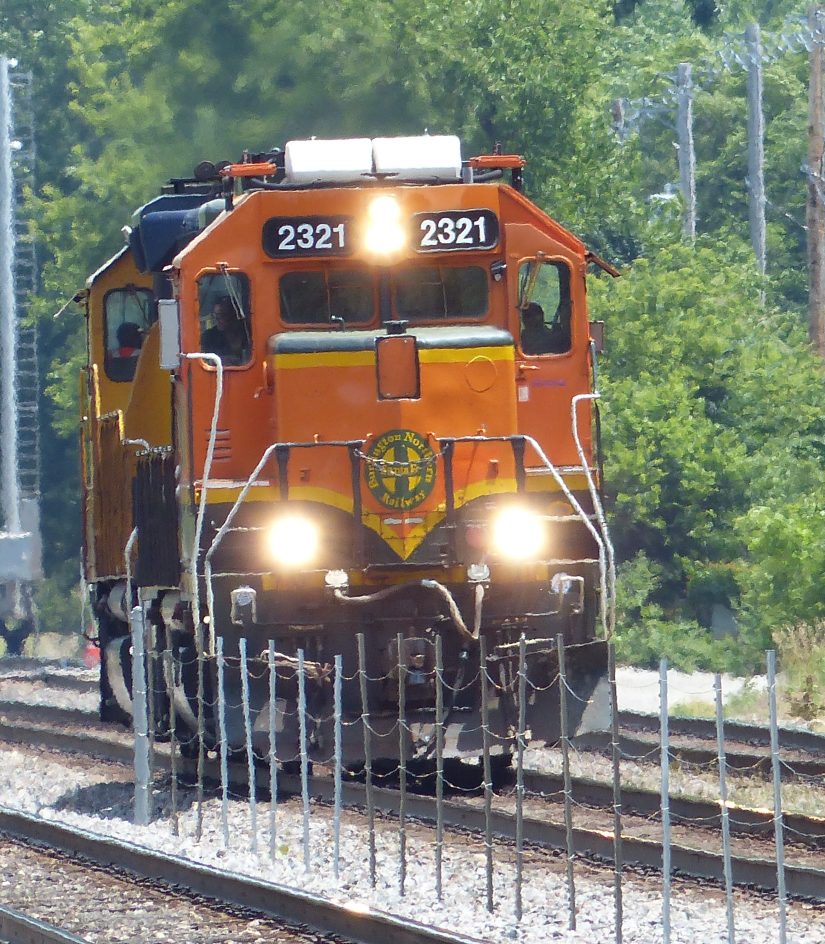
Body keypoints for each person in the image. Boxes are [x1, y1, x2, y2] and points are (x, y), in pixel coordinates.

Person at [201, 297, 250, 365]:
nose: (218, 319)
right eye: (215, 315)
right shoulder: (209, 337)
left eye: (222, 315)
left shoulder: (248, 332)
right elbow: (202, 359)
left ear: (236, 314)